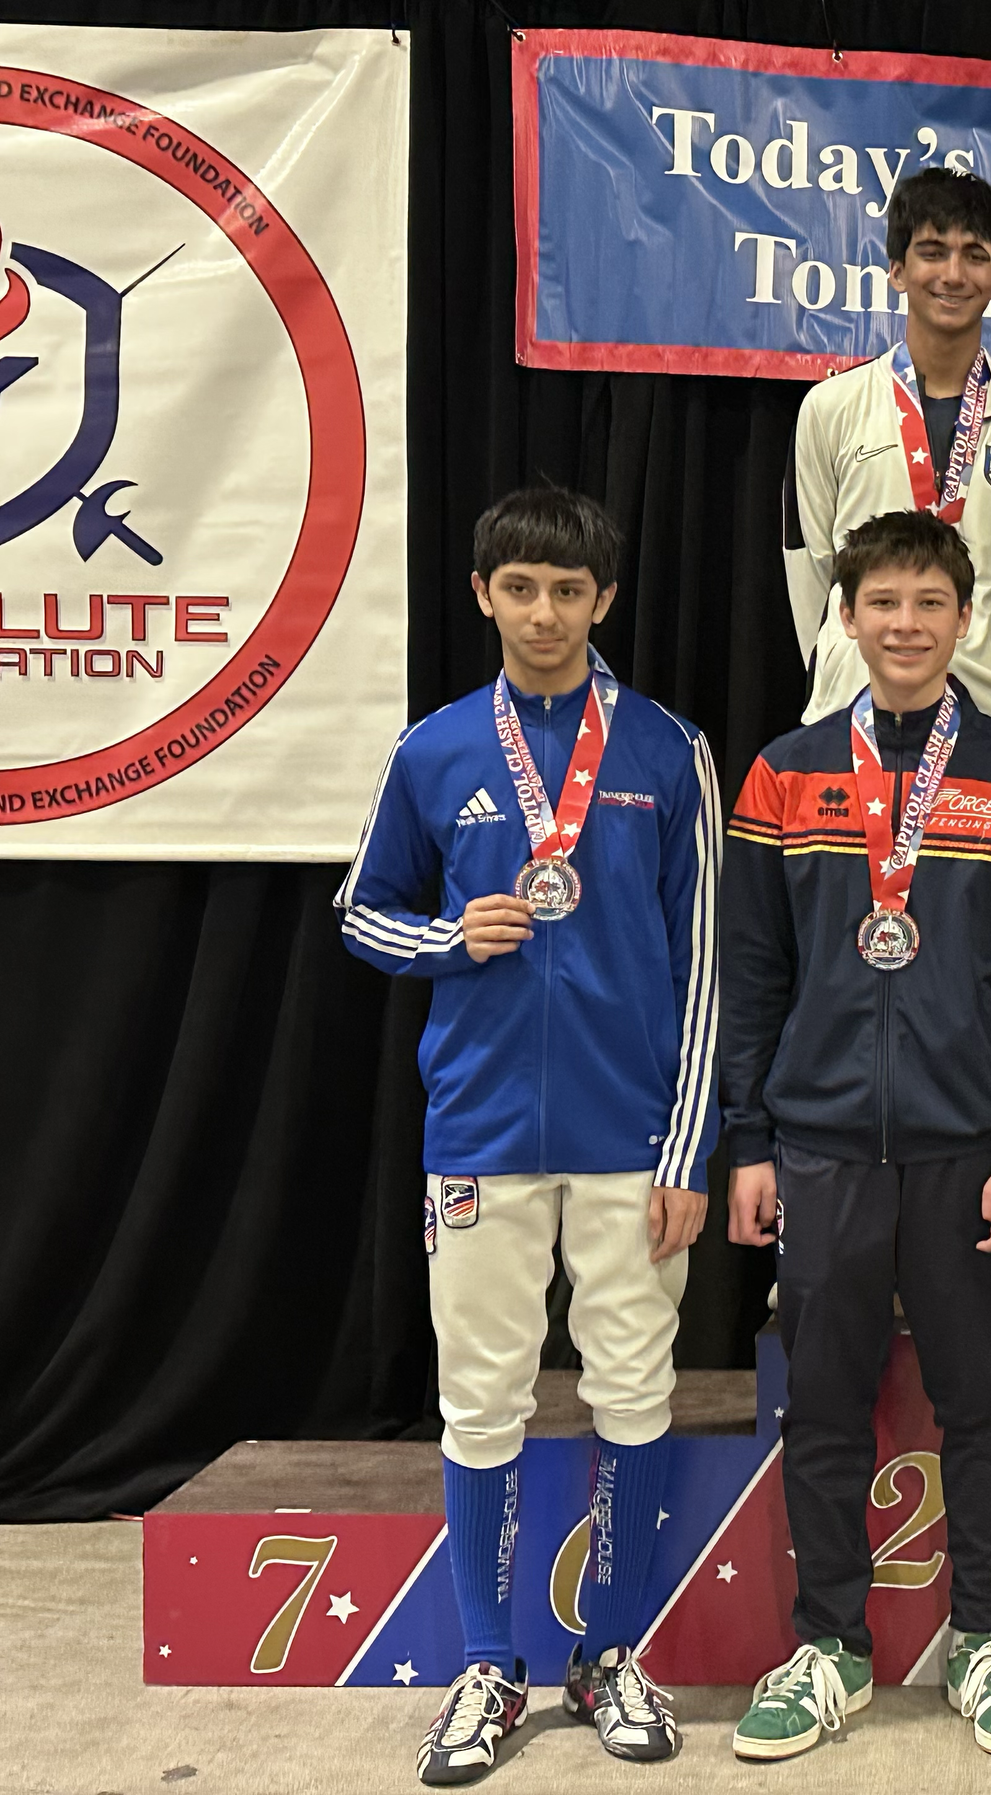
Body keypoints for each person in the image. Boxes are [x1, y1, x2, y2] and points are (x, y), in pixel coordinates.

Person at [337, 487, 720, 1785]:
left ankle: (611, 1651)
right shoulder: (436, 751)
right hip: (481, 1132)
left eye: (569, 589)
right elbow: (360, 910)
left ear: (604, 600)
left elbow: (710, 961)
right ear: (483, 593)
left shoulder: (670, 751)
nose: (545, 610)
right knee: (481, 1396)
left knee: (631, 1392)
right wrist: (450, 935)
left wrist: (685, 1151)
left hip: (629, 1137)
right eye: (521, 586)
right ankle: (489, 1661)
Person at [719, 510, 991, 1761]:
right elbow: (753, 974)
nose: (908, 625)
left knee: (982, 1401)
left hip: (966, 1149)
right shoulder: (781, 772)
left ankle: (984, 1639)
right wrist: (748, 1141)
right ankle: (830, 1645)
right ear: (846, 615)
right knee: (822, 1402)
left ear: (967, 620)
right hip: (817, 1148)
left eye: (932, 603)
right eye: (884, 603)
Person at [786, 169, 991, 737]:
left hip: (990, 717)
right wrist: (846, 666)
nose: (952, 274)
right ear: (897, 270)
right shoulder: (830, 407)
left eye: (974, 255)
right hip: (849, 713)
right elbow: (813, 571)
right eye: (932, 251)